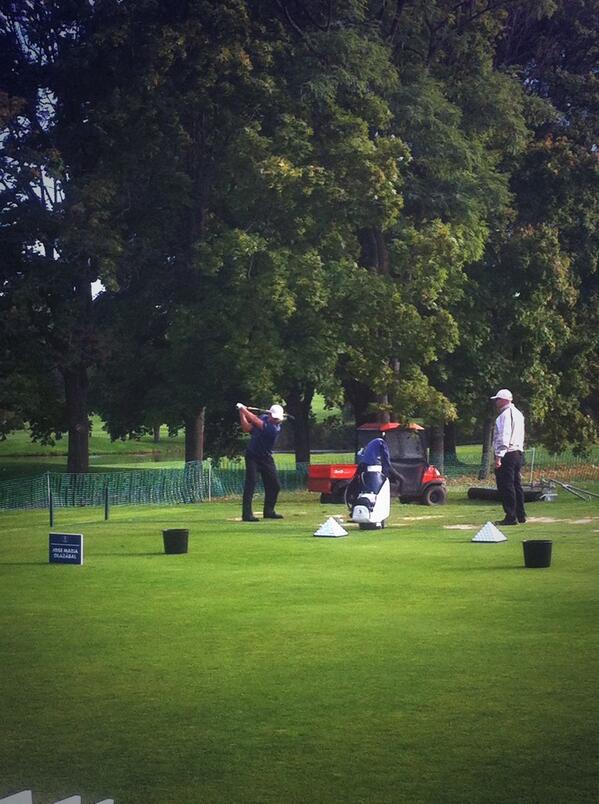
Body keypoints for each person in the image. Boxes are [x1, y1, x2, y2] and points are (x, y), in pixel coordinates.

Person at [237, 403, 285, 522]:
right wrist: (242, 414)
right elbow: (247, 428)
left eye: (278, 419)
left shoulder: (274, 429)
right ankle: (247, 515)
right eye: (275, 418)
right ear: (270, 415)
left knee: (275, 485)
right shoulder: (263, 419)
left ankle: (269, 511)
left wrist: (243, 409)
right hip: (252, 456)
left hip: (266, 458)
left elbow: (254, 419)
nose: (277, 421)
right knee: (251, 484)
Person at [490, 388, 527, 526]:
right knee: (516, 484)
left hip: (507, 453)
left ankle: (510, 516)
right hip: (517, 452)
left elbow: (504, 437)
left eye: (498, 399)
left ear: (504, 400)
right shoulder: (518, 414)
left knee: (506, 485)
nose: (496, 402)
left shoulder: (504, 416)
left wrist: (499, 456)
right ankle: (520, 514)